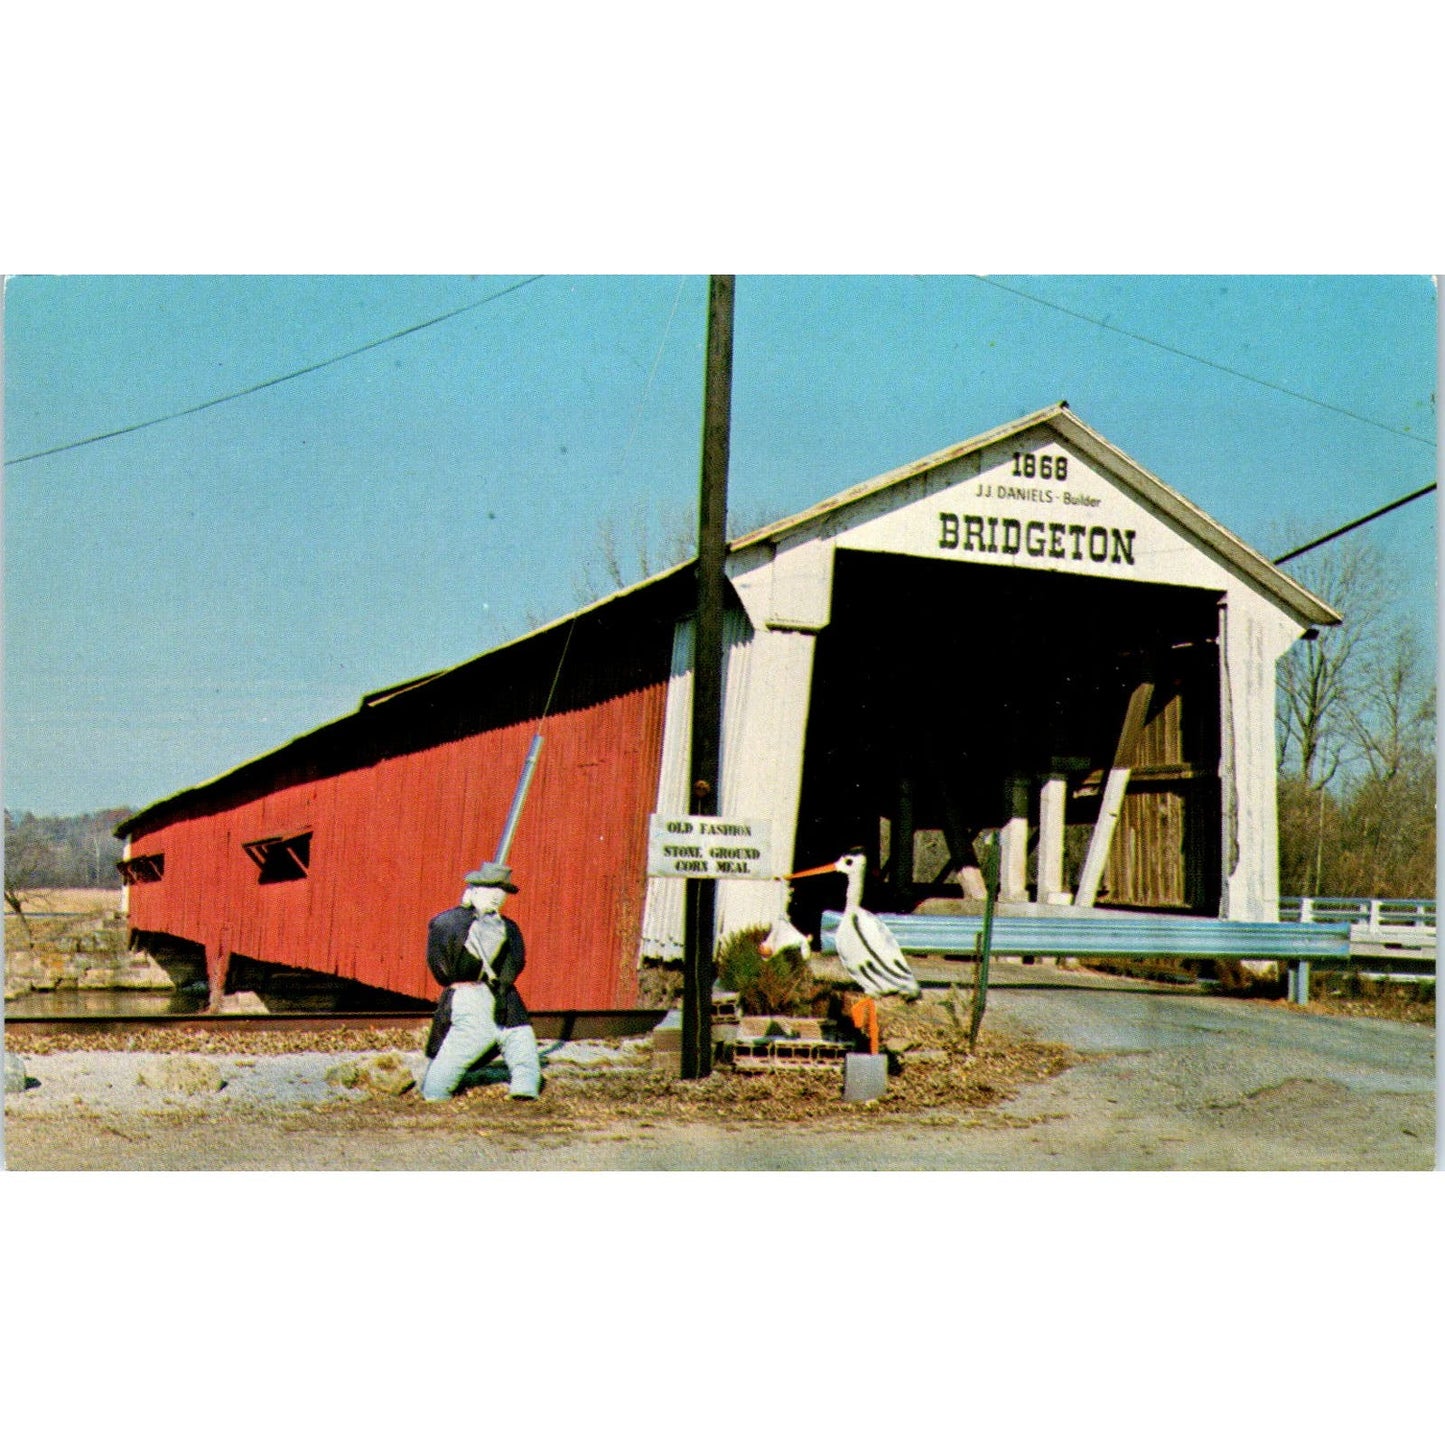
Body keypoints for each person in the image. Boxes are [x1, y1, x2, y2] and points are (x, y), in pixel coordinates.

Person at [420, 862, 542, 1101]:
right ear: (473, 890)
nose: (497, 896)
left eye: (501, 891)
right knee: (462, 1046)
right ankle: (435, 1093)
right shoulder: (448, 923)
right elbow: (441, 965)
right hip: (469, 996)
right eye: (490, 889)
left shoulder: (509, 928)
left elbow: (515, 961)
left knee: (521, 1039)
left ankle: (524, 1089)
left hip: (505, 995)